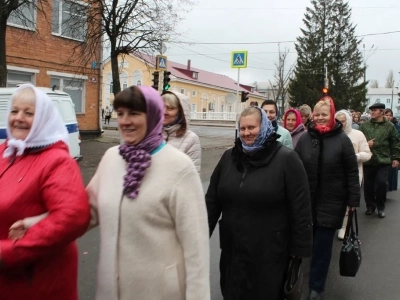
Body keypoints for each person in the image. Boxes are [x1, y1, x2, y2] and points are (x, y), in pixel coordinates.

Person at [87, 86, 210, 300]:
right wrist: (41, 224)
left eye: (134, 113)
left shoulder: (180, 168)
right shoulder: (111, 158)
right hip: (111, 289)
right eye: (121, 114)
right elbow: (85, 210)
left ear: (153, 116)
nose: (125, 121)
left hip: (159, 291)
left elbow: (196, 250)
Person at [206, 106, 313, 300]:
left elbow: (301, 208)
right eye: (243, 128)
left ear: (264, 126)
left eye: (252, 127)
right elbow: (212, 201)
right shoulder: (229, 158)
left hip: (269, 252)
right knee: (232, 292)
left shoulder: (286, 159)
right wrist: (200, 235)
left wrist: (299, 253)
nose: (246, 133)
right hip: (233, 249)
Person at [0, 84, 90, 300]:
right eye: (14, 111)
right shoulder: (7, 151)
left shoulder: (57, 161)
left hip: (36, 284)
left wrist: (11, 251)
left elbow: (72, 217)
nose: (19, 118)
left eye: (29, 112)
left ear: (43, 118)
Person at [295, 96, 360, 300]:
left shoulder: (342, 140)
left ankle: (316, 287)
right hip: (306, 203)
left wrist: (353, 201)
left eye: (325, 115)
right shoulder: (306, 138)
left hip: (332, 202)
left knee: (322, 248)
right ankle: (296, 280)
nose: (321, 118)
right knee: (304, 245)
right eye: (318, 115)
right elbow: (294, 167)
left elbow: (351, 172)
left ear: (332, 116)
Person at [335, 110, 371, 239]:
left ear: (348, 121)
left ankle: (344, 226)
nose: (340, 124)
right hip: (335, 174)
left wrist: (354, 157)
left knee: (349, 201)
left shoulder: (358, 135)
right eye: (337, 121)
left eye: (343, 121)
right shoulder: (331, 135)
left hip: (353, 173)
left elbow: (367, 154)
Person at [360, 103, 400, 218]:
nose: (372, 112)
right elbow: (360, 141)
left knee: (382, 183)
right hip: (369, 159)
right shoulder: (365, 126)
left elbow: (395, 142)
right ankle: (370, 206)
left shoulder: (389, 126)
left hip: (383, 160)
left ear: (382, 112)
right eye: (371, 110)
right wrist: (367, 145)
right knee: (368, 186)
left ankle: (381, 206)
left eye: (375, 110)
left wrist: (396, 157)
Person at [161, 91, 201, 172]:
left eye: (170, 108)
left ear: (181, 112)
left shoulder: (191, 139)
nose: (164, 112)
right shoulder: (151, 134)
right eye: (161, 107)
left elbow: (192, 176)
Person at [384, 108, 400, 192]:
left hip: (393, 151)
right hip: (383, 152)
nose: (388, 117)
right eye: (386, 115)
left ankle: (388, 188)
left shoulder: (396, 126)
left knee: (391, 172)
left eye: (390, 115)